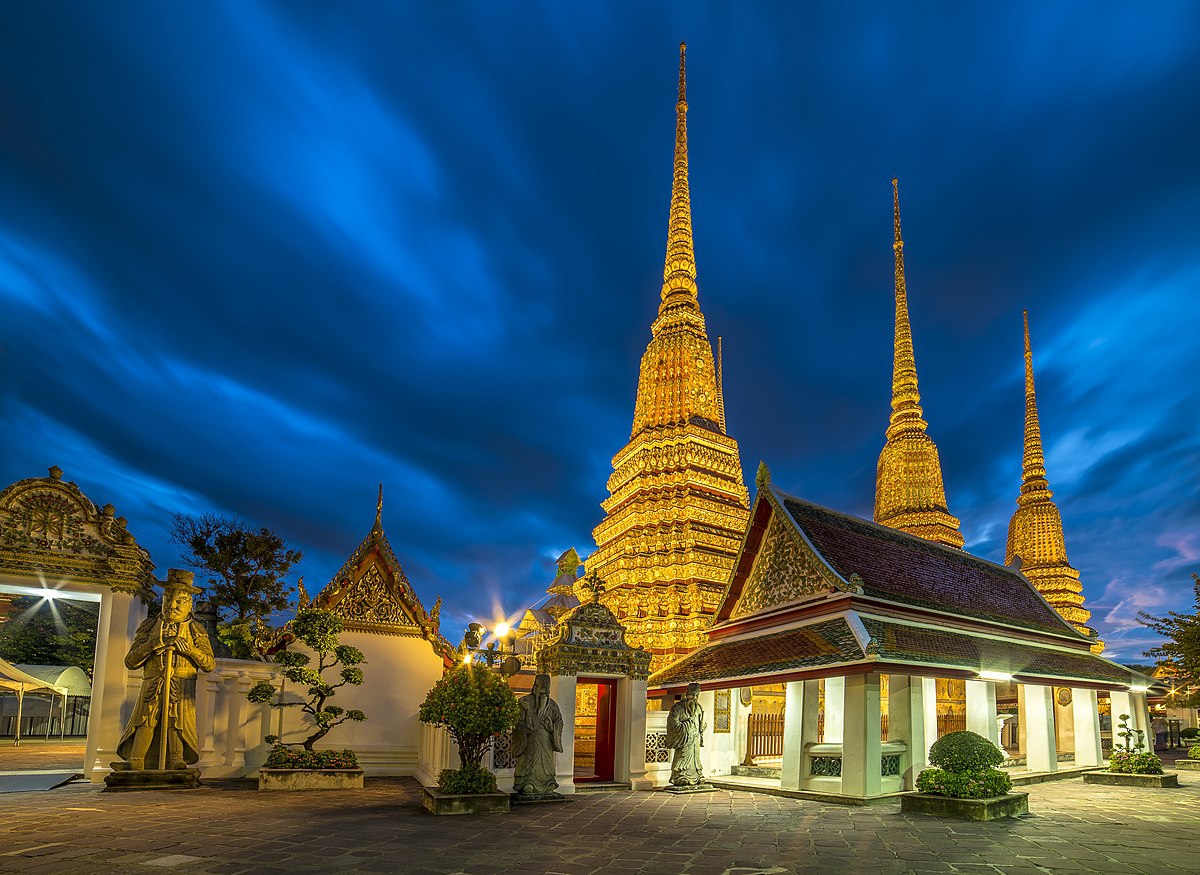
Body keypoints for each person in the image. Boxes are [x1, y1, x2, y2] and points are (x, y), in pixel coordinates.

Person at [115, 569, 215, 770]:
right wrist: (154, 643)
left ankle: (176, 759)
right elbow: (131, 661)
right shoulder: (150, 626)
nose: (172, 606)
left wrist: (190, 650)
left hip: (182, 682)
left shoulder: (195, 629)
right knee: (146, 719)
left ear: (189, 604)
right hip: (153, 680)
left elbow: (209, 664)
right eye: (168, 599)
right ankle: (136, 760)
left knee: (176, 721)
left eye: (180, 601)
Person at [511, 673, 563, 795]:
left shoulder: (552, 706)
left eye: (546, 689)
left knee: (546, 766)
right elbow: (515, 722)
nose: (544, 691)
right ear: (535, 687)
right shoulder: (524, 702)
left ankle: (548, 783)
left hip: (546, 743)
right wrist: (523, 727)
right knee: (528, 766)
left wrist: (552, 728)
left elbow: (559, 722)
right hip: (529, 742)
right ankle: (525, 783)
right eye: (541, 688)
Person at [666, 682, 707, 786]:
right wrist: (686, 725)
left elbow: (700, 723)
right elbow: (672, 724)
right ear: (686, 693)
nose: (694, 698)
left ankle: (697, 775)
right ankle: (680, 776)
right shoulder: (677, 708)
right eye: (692, 694)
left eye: (696, 695)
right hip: (684, 739)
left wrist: (702, 727)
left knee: (695, 759)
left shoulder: (699, 708)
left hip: (695, 741)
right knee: (683, 757)